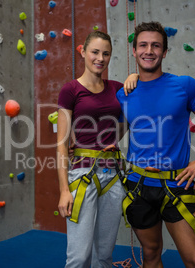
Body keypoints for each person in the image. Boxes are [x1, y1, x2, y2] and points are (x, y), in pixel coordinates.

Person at [116, 21, 195, 268]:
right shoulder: (125, 93)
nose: (149, 50)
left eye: (156, 45)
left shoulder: (184, 85)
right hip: (138, 186)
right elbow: (114, 134)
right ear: (134, 51)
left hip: (177, 184)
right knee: (151, 254)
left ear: (164, 52)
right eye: (142, 45)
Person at [56, 31, 138, 267]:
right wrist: (64, 190)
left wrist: (134, 77)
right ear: (83, 52)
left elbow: (126, 121)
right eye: (95, 52)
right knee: (79, 256)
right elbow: (62, 144)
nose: (100, 58)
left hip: (113, 175)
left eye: (106, 53)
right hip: (82, 176)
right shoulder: (70, 90)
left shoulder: (117, 88)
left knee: (104, 255)